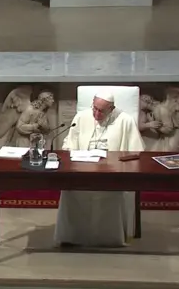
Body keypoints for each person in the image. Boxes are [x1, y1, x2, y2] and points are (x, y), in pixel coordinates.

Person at [55, 90, 145, 247]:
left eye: (101, 111)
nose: (96, 114)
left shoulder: (125, 121)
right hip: (81, 171)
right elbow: (69, 143)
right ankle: (72, 237)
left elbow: (136, 152)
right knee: (70, 190)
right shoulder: (82, 117)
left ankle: (110, 239)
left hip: (112, 174)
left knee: (110, 193)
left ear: (112, 108)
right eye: (94, 108)